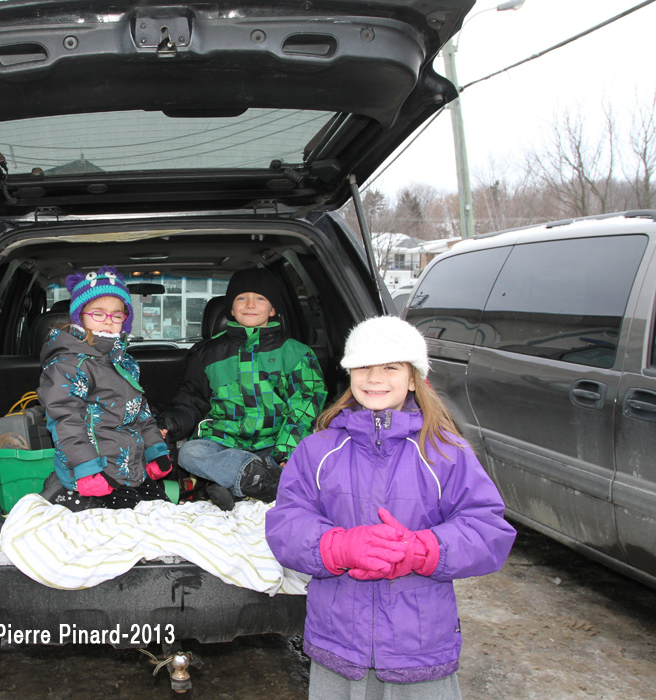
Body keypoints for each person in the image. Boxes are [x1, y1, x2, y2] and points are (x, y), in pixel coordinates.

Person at [265, 316, 517, 700]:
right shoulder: (318, 450)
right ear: (349, 372)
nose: (374, 377)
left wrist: (423, 550)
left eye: (390, 366)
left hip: (419, 647)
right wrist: (338, 547)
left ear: (414, 377)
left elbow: (488, 530)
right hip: (337, 642)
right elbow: (286, 524)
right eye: (363, 365)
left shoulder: (444, 451)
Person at [158, 267, 327, 510]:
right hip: (224, 442)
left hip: (275, 443)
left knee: (309, 453)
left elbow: (304, 409)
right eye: (241, 298)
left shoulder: (297, 353)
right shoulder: (208, 353)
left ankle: (237, 485)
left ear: (273, 309)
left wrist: (285, 453)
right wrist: (170, 424)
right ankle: (261, 482)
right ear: (231, 309)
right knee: (190, 453)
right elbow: (192, 400)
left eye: (260, 298)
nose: (250, 304)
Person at [38, 265, 172, 511]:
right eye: (98, 314)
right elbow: (65, 421)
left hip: (131, 470)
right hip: (92, 476)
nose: (108, 322)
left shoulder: (124, 363)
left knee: (162, 521)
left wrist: (156, 451)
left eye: (117, 315)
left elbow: (140, 413)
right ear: (80, 316)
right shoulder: (69, 365)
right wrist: (86, 470)